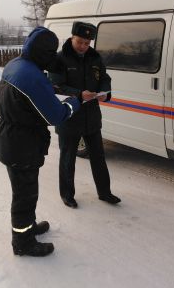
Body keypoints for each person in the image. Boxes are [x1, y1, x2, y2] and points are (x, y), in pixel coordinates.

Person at [0, 27, 80, 257]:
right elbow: (56, 116)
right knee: (24, 195)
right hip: (22, 145)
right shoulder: (31, 77)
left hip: (12, 138)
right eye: (51, 52)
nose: (54, 57)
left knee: (26, 191)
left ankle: (29, 227)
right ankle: (22, 242)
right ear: (42, 52)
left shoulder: (16, 65)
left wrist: (48, 89)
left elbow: (26, 98)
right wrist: (75, 102)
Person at [49, 21, 121, 209]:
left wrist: (105, 92)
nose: (83, 46)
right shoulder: (60, 59)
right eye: (80, 42)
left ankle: (105, 193)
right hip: (68, 116)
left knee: (98, 157)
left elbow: (104, 78)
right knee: (68, 159)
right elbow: (55, 87)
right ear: (72, 37)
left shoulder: (95, 58)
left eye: (87, 43)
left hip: (92, 117)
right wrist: (79, 94)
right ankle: (67, 195)